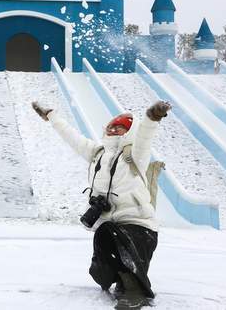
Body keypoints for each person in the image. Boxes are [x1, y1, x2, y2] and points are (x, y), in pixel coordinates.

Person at [32, 99, 171, 309]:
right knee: (102, 264)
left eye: (121, 126)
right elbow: (72, 137)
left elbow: (144, 137)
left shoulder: (134, 154)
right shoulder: (97, 153)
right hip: (110, 226)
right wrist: (52, 116)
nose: (114, 129)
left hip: (140, 227)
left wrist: (152, 118)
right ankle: (121, 278)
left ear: (129, 131)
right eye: (112, 126)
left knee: (117, 238)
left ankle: (135, 292)